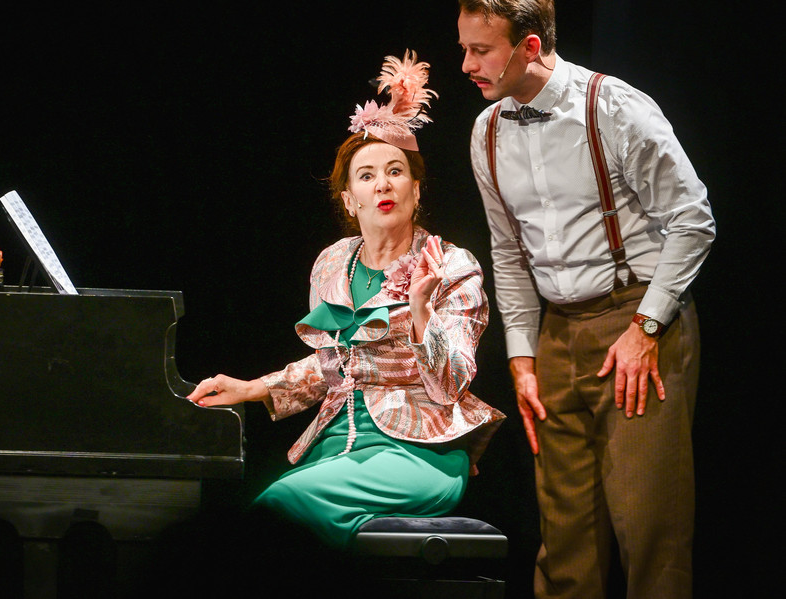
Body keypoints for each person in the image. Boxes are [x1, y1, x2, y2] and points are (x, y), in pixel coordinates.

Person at [186, 50, 504, 562]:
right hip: (339, 443)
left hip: (419, 451)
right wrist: (252, 388)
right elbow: (334, 366)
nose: (383, 184)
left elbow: (452, 383)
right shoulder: (333, 264)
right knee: (264, 525)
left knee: (277, 510)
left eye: (396, 171)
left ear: (416, 190)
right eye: (367, 175)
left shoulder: (451, 264)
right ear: (349, 198)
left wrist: (421, 313)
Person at [457, 1, 715, 598]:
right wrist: (522, 357)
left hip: (636, 318)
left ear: (529, 46)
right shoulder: (487, 130)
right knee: (566, 537)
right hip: (556, 332)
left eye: (481, 50)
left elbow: (692, 220)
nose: (466, 63)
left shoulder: (613, 108)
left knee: (649, 527)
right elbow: (508, 251)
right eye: (464, 48)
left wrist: (646, 328)